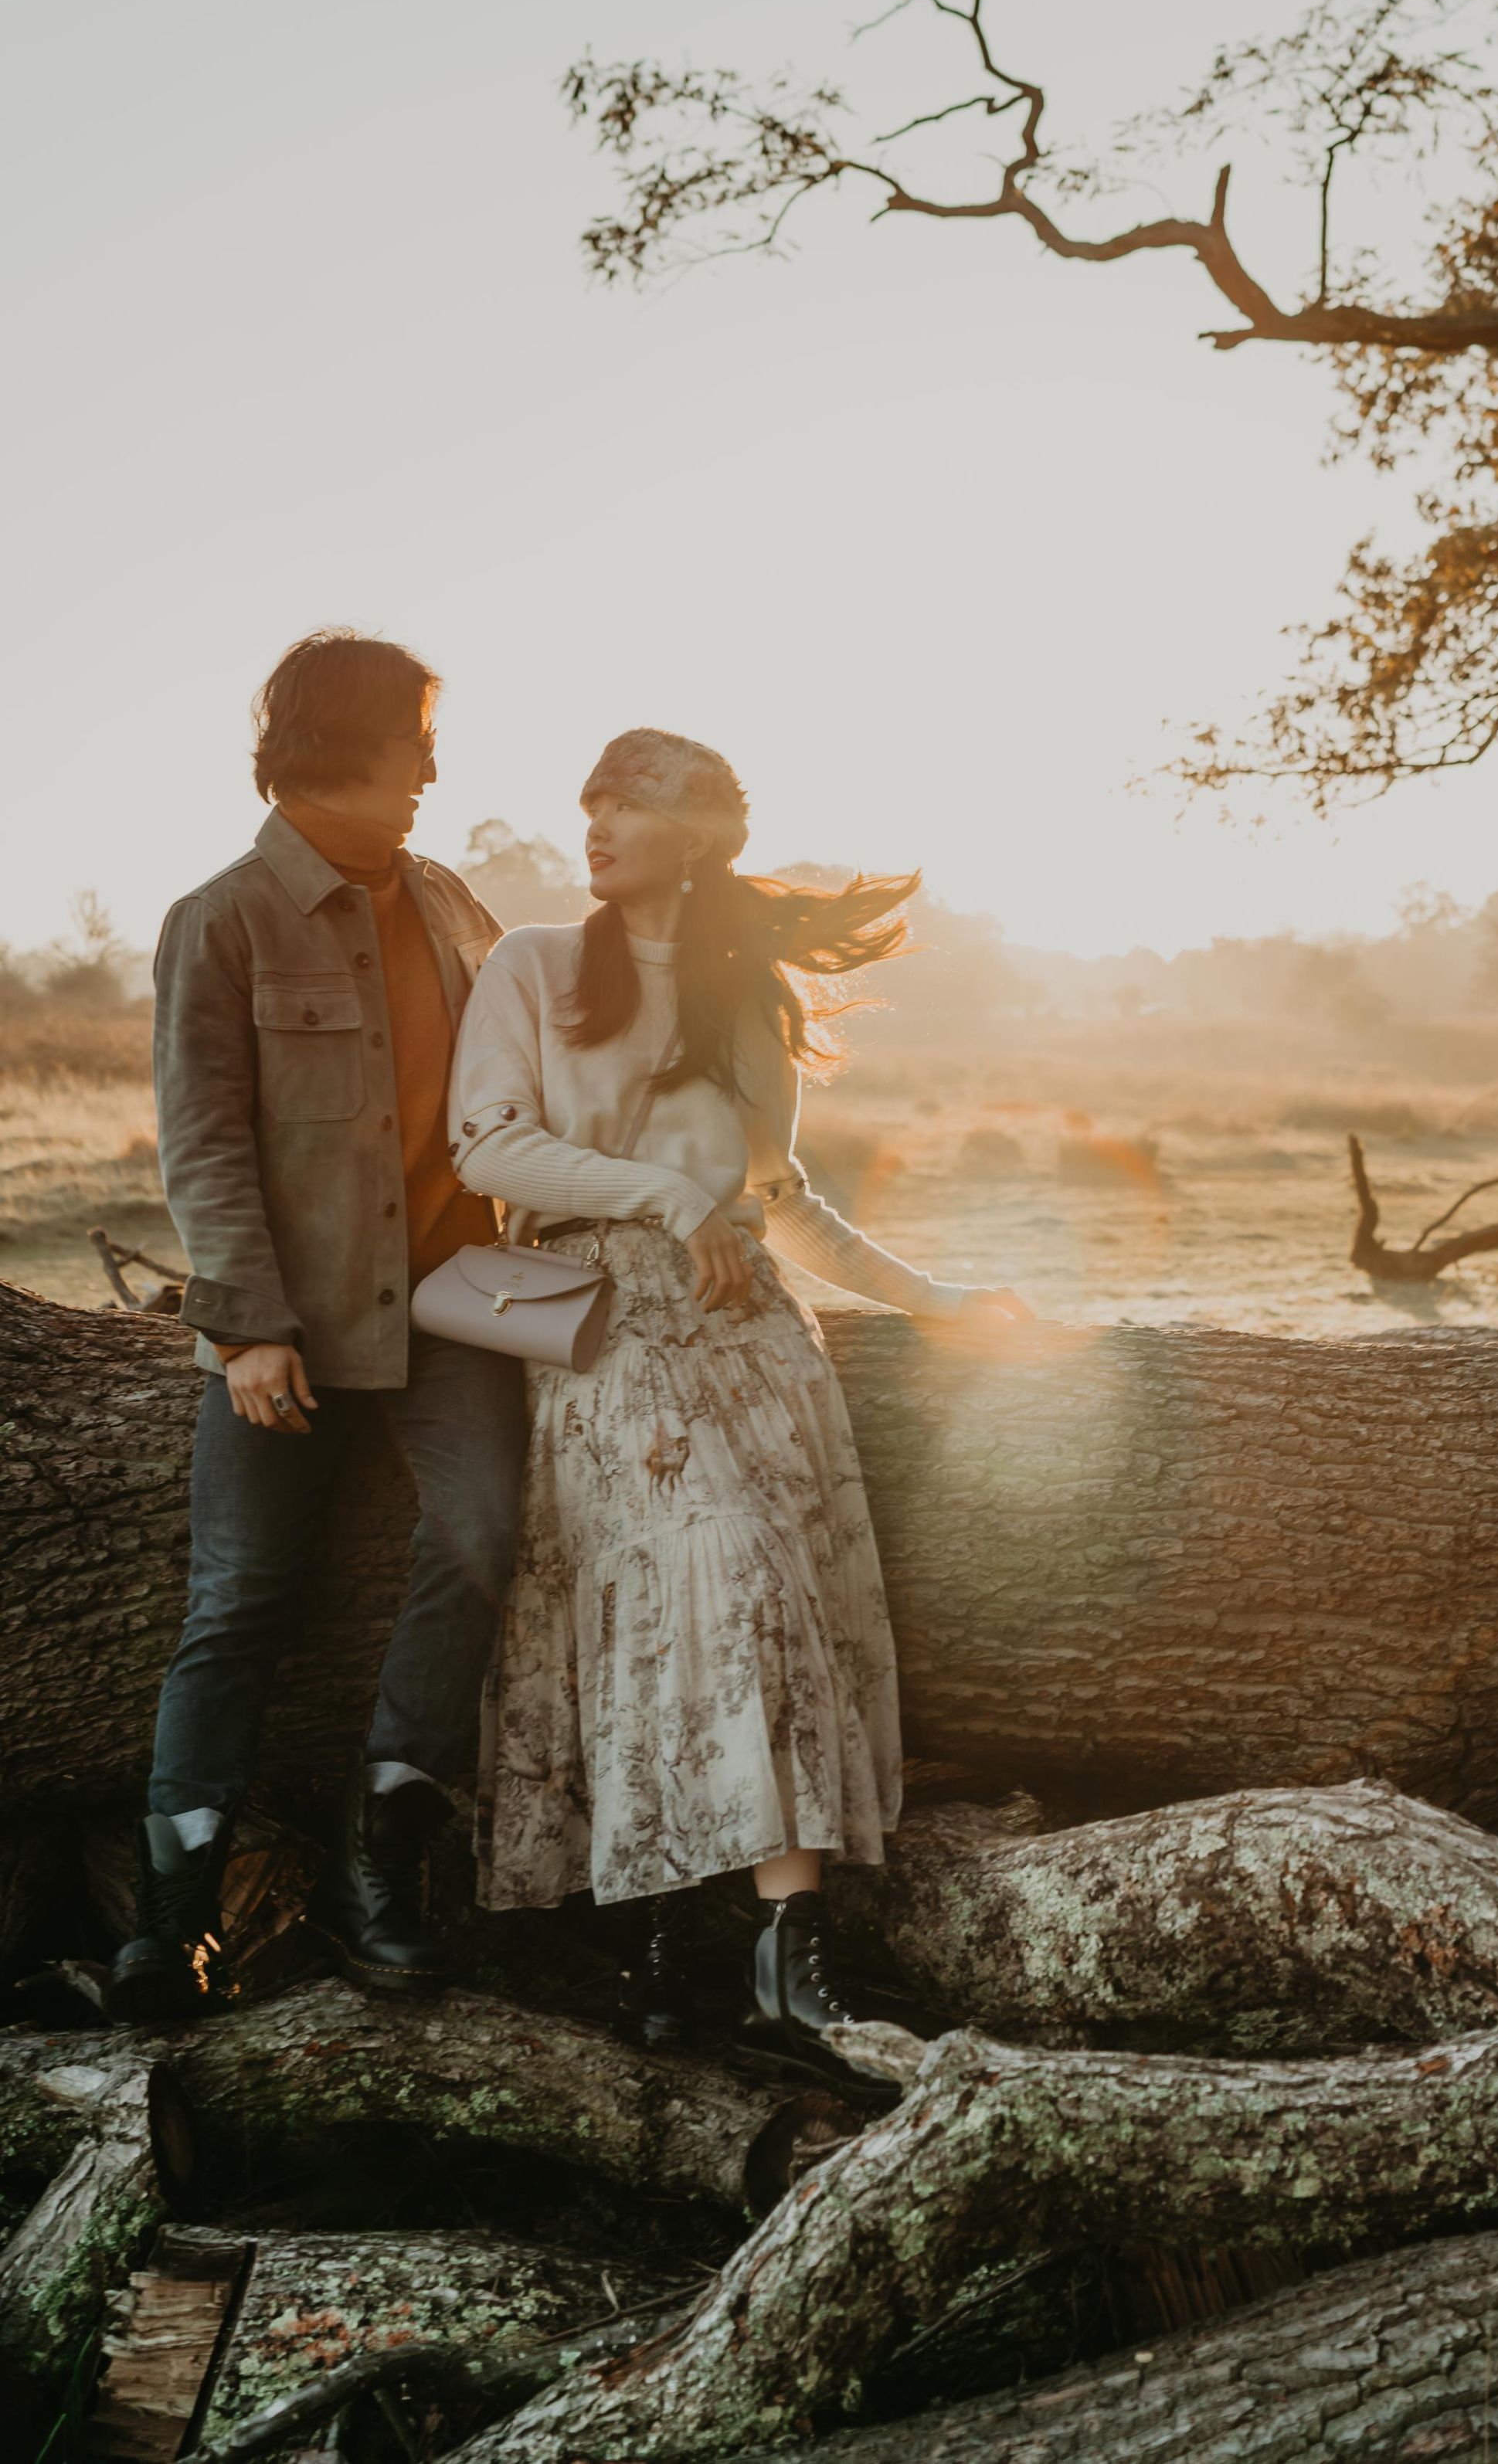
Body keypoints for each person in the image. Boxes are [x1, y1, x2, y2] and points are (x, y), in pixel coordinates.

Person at [448, 728, 1028, 2064]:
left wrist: (940, 1302)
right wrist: (660, 1195)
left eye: (628, 803)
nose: (594, 822)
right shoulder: (533, 964)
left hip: (751, 1337)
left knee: (772, 1589)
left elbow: (781, 1201)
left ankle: (783, 1956)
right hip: (597, 1322)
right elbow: (488, 1142)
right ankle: (659, 1935)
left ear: (702, 833)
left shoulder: (744, 993)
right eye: (589, 799)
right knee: (686, 1585)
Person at [107, 633, 528, 2023]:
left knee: (482, 1541)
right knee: (236, 1605)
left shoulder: (452, 900)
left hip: (456, 1306)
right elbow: (204, 1144)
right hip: (282, 1327)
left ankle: (378, 1864)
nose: (429, 767)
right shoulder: (219, 918)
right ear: (340, 746)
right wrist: (246, 1330)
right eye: (413, 738)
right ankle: (174, 1928)